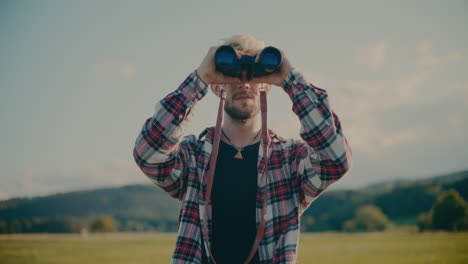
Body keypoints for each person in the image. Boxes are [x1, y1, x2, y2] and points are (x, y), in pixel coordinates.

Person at [133, 34, 352, 264]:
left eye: (255, 75)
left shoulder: (290, 159)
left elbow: (336, 160)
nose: (245, 82)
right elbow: (148, 154)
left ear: (267, 84)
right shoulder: (193, 155)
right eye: (233, 74)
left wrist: (292, 80)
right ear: (217, 87)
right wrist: (199, 79)